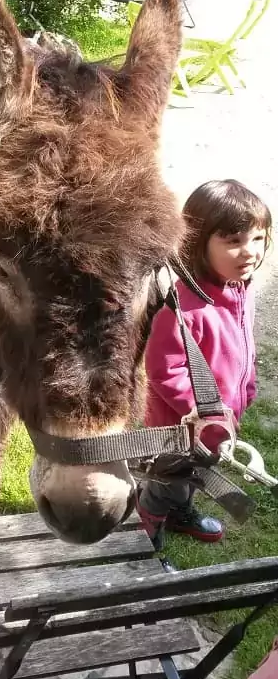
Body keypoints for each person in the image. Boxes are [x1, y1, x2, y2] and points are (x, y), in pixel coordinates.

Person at [138, 179, 272, 550]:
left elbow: (243, 348)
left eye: (258, 238)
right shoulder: (183, 308)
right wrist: (206, 414)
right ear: (197, 241)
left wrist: (246, 389)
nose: (250, 251)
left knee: (194, 476)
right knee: (166, 486)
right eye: (233, 241)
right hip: (179, 431)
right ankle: (147, 539)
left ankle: (180, 513)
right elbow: (165, 371)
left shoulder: (240, 290)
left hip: (215, 426)